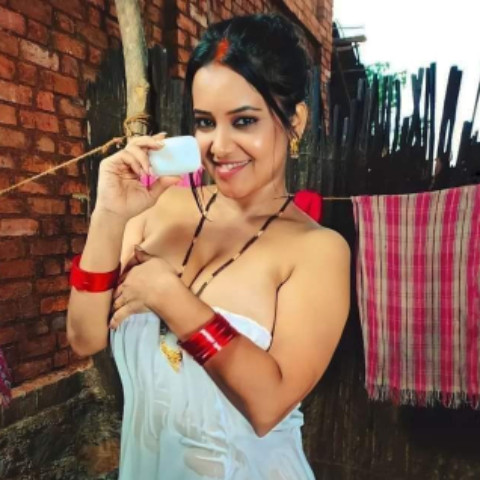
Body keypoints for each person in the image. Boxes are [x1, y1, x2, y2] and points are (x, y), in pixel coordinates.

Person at [67, 13, 350, 479]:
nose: (218, 146)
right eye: (204, 122)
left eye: (244, 121)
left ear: (295, 121)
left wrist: (168, 295)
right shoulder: (157, 210)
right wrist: (108, 216)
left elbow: (267, 405)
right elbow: (84, 338)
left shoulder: (317, 251)